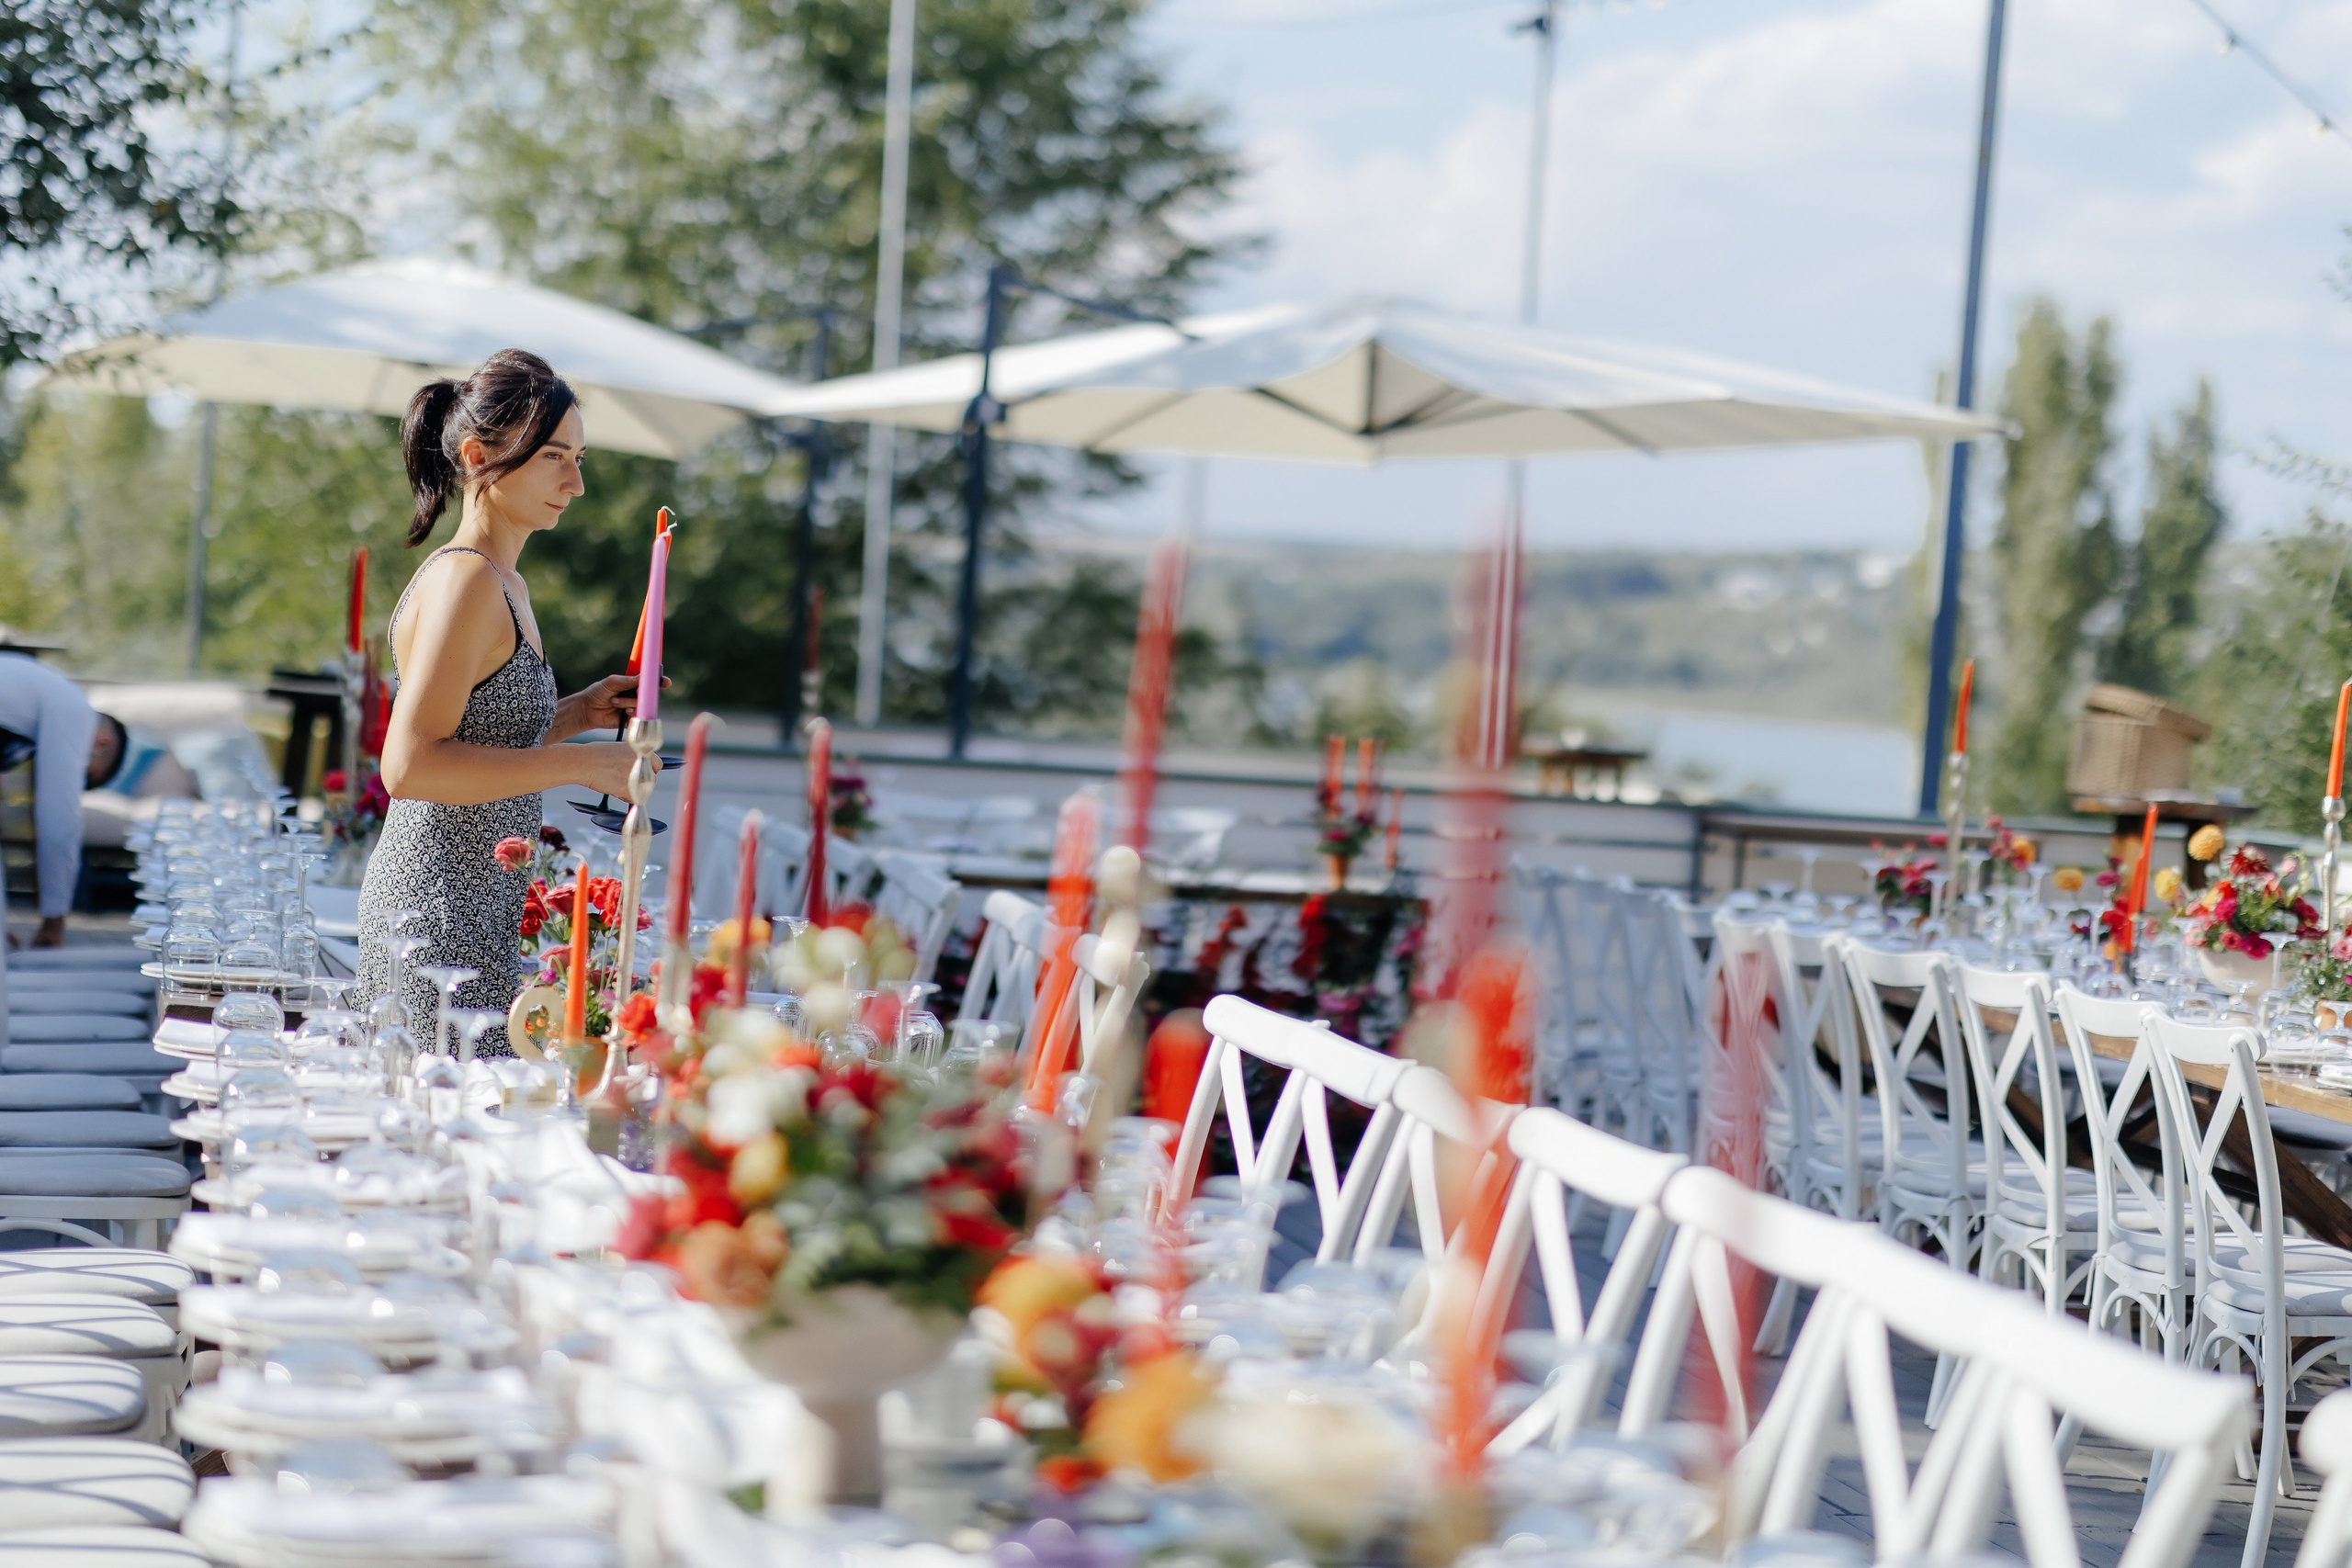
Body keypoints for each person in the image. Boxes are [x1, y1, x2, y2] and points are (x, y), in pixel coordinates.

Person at [359, 349, 653, 1055]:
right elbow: (411, 765)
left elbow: (476, 739)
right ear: (477, 454)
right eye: (555, 456)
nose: (577, 483)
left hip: (479, 905)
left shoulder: (503, 582)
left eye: (579, 458)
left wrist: (576, 715)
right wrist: (575, 765)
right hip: (435, 913)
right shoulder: (467, 582)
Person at [0, 657, 128, 947]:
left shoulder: (39, 692)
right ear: (102, 742)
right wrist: (54, 920)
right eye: (84, 774)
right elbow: (59, 820)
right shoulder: (75, 709)